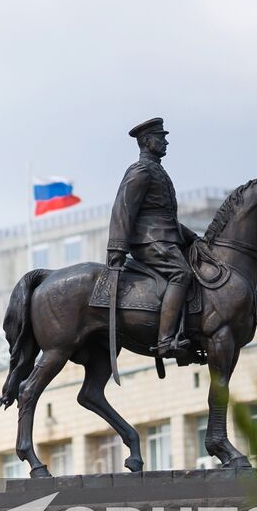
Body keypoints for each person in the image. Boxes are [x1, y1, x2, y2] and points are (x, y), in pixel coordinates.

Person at [106, 117, 199, 359]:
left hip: (166, 238)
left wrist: (192, 237)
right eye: (161, 137)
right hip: (149, 242)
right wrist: (117, 248)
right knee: (182, 273)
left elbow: (164, 215)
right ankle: (166, 340)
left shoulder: (157, 170)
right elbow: (123, 208)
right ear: (147, 141)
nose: (166, 142)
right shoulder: (141, 170)